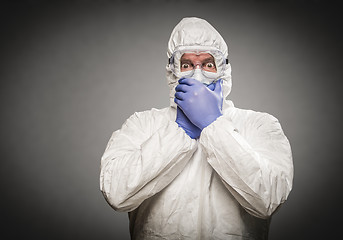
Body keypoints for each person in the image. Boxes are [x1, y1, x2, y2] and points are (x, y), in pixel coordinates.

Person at [100, 17, 293, 240]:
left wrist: (214, 126)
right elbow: (116, 194)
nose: (198, 74)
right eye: (187, 65)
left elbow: (268, 200)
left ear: (223, 70)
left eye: (208, 64)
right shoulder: (142, 124)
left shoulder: (259, 125)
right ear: (173, 71)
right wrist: (178, 133)